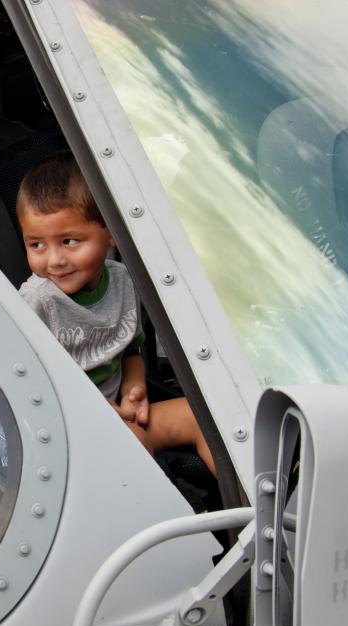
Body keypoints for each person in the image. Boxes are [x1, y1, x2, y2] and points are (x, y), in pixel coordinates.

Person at [17, 155, 214, 474]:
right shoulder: (36, 302)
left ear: (110, 233)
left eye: (69, 241)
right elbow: (28, 386)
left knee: (204, 417)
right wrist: (93, 411)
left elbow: (129, 350)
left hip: (119, 413)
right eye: (36, 244)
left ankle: (253, 513)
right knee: (135, 442)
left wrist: (135, 390)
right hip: (65, 430)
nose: (54, 260)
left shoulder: (121, 280)